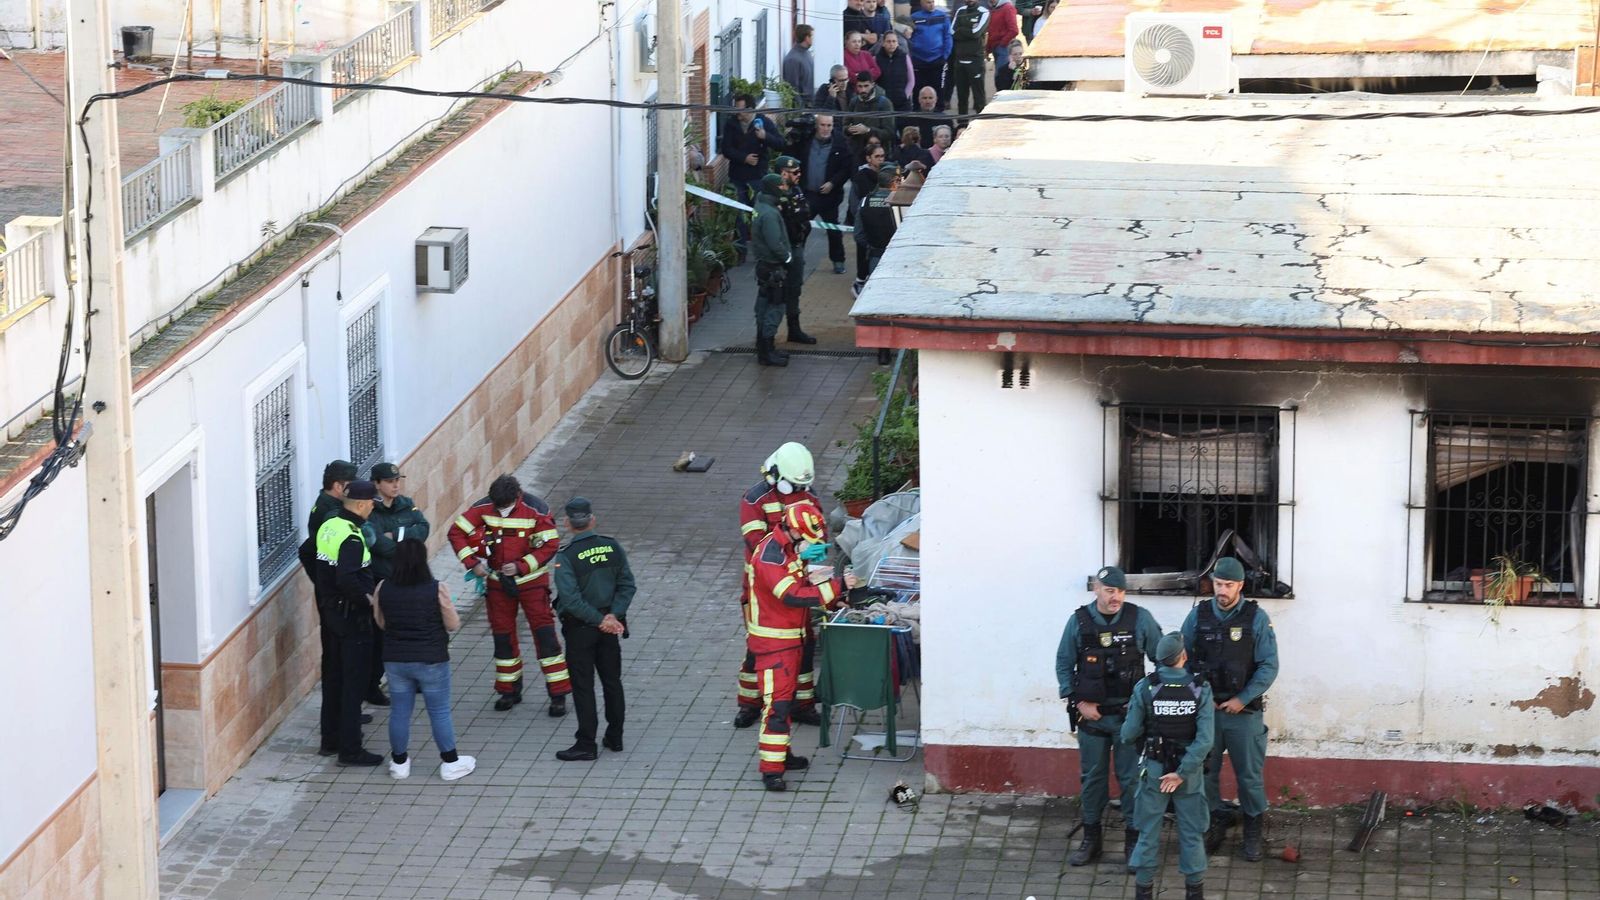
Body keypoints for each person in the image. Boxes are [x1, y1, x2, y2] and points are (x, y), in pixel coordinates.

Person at [1055, 565, 1164, 866]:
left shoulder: (1140, 619)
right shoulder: (1078, 621)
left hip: (1130, 718)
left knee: (1131, 780)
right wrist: (1078, 702)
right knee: (1092, 779)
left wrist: (1145, 701)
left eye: (1120, 591)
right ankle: (1092, 839)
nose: (1115, 597)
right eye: (1109, 591)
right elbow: (1064, 664)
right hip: (1093, 717)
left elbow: (1162, 661)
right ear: (1096, 590)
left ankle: (1133, 840)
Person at [745, 500, 856, 791]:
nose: (811, 546)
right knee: (777, 707)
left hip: (789, 640)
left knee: (785, 702)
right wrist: (837, 587)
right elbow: (792, 595)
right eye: (808, 539)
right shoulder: (771, 557)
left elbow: (805, 578)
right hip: (774, 645)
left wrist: (834, 594)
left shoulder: (787, 548)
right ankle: (771, 770)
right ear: (795, 532)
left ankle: (782, 756)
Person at [1181, 556, 1278, 862]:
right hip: (1206, 712)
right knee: (1204, 773)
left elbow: (1268, 666)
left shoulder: (1256, 618)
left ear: (1240, 586)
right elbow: (1180, 659)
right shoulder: (1198, 616)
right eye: (1218, 584)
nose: (1221, 591)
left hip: (1243, 713)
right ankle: (1211, 824)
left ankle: (1252, 830)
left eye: (1228, 585)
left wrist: (1243, 699)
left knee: (1248, 775)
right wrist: (1199, 695)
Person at [447, 474, 571, 714]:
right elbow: (456, 533)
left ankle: (558, 694)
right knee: (502, 637)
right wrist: (472, 563)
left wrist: (521, 566)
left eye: (506, 507)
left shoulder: (536, 509)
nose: (501, 511)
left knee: (545, 636)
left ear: (517, 496)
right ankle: (508, 690)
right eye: (498, 508)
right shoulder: (484, 506)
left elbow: (550, 544)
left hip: (532, 582)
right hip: (497, 583)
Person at [734, 443, 826, 729]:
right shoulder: (754, 499)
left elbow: (816, 528)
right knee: (759, 648)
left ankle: (802, 704)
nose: (798, 490)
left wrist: (818, 549)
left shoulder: (806, 494)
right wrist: (799, 551)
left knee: (805, 644)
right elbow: (758, 545)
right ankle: (749, 703)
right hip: (762, 589)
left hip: (799, 582)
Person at [371, 539, 475, 782]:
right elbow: (452, 624)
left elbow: (381, 622)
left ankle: (399, 764)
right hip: (431, 660)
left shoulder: (383, 587)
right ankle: (450, 763)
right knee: (438, 711)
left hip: (396, 660)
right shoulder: (436, 588)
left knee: (399, 711)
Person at [1121, 633, 1215, 900]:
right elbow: (1206, 739)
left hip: (1154, 771)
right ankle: (1194, 892)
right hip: (1189, 776)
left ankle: (1144, 891)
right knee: (1192, 833)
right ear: (1183, 656)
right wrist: (1182, 773)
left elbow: (1128, 734)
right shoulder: (1201, 688)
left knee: (1148, 832)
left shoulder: (1146, 687)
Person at [551, 498, 636, 761]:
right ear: (592, 520)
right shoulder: (612, 547)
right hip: (610, 627)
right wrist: (613, 615)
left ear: (567, 523)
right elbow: (627, 585)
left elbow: (571, 599)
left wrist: (599, 621)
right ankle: (615, 736)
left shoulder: (566, 557)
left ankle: (586, 743)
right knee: (612, 682)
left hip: (582, 630)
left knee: (583, 685)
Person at [314, 479, 383, 766]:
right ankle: (350, 749)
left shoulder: (329, 526)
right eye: (371, 505)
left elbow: (309, 554)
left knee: (333, 678)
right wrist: (366, 601)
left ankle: (329, 740)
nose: (372, 510)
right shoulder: (353, 537)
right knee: (353, 682)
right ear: (363, 504)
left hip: (330, 614)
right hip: (351, 619)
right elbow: (347, 577)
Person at [362, 461, 431, 703]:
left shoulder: (406, 504)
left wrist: (397, 536)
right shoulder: (370, 511)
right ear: (377, 484)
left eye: (397, 481)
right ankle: (373, 685)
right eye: (390, 482)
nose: (395, 485)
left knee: (413, 630)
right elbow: (379, 545)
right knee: (383, 636)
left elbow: (423, 529)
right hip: (386, 580)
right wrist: (406, 541)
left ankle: (414, 678)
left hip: (410, 578)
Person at [719, 95, 786, 252]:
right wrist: (744, 158)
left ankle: (761, 248)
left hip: (757, 177)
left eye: (740, 109)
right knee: (739, 215)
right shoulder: (731, 124)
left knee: (758, 213)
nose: (738, 113)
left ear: (750, 109)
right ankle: (741, 250)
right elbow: (726, 149)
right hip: (737, 177)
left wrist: (765, 137)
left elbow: (781, 143)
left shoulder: (764, 123)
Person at [791, 114, 853, 276]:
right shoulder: (805, 141)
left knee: (833, 229)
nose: (826, 129)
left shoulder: (840, 143)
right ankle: (797, 260)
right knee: (802, 227)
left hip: (829, 196)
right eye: (823, 125)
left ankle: (838, 261)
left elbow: (846, 168)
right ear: (816, 126)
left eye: (829, 125)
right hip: (808, 194)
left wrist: (833, 183)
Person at [750, 173, 793, 368]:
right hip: (773, 268)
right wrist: (788, 258)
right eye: (781, 186)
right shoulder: (769, 214)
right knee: (774, 308)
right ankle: (767, 352)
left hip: (764, 266)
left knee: (763, 306)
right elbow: (775, 243)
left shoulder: (761, 207)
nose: (784, 188)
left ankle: (765, 348)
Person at [773, 156, 816, 345]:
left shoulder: (796, 191)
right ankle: (767, 336)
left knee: (795, 289)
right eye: (795, 172)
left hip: (797, 246)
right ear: (783, 173)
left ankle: (794, 329)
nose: (799, 175)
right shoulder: (773, 194)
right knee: (776, 292)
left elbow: (805, 215)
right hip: (782, 250)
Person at [855, 160, 897, 294]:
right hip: (896, 258)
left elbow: (858, 235)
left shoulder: (865, 201)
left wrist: (871, 246)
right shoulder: (901, 202)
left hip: (875, 256)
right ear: (894, 181)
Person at [841, 71, 895, 162]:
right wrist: (849, 129)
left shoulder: (884, 103)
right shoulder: (854, 102)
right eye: (860, 86)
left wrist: (868, 130)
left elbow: (889, 133)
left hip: (878, 157)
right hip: (857, 155)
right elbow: (844, 126)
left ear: (873, 85)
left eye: (866, 86)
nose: (863, 90)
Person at [909, 0, 953, 107]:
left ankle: (939, 114)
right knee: (918, 90)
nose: (931, 4)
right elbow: (908, 36)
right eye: (928, 2)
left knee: (939, 89)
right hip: (919, 60)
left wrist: (945, 56)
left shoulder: (942, 16)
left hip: (937, 59)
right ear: (921, 3)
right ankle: (918, 115)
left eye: (932, 1)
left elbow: (948, 37)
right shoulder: (914, 17)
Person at [950, 0, 990, 116]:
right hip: (959, 60)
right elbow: (952, 31)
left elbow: (976, 33)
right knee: (962, 98)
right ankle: (962, 125)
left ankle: (981, 125)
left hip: (975, 61)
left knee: (979, 98)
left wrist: (961, 30)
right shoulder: (960, 11)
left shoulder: (984, 12)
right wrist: (968, 30)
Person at [873, 30, 915, 112]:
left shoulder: (905, 57)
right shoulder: (876, 59)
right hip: (883, 103)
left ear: (897, 43)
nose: (891, 44)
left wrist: (905, 95)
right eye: (888, 41)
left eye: (894, 41)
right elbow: (873, 81)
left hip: (903, 103)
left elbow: (911, 80)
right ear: (883, 43)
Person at [986, 0, 1020, 94]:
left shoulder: (1007, 7)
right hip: (996, 47)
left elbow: (1014, 30)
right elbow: (991, 31)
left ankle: (1003, 98)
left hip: (1003, 48)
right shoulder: (993, 9)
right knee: (1000, 76)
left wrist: (1002, 43)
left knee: (1001, 76)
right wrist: (988, 48)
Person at [783, 24, 816, 99]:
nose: (813, 39)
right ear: (807, 38)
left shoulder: (807, 53)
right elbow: (792, 88)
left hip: (810, 102)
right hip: (802, 105)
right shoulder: (793, 59)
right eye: (812, 36)